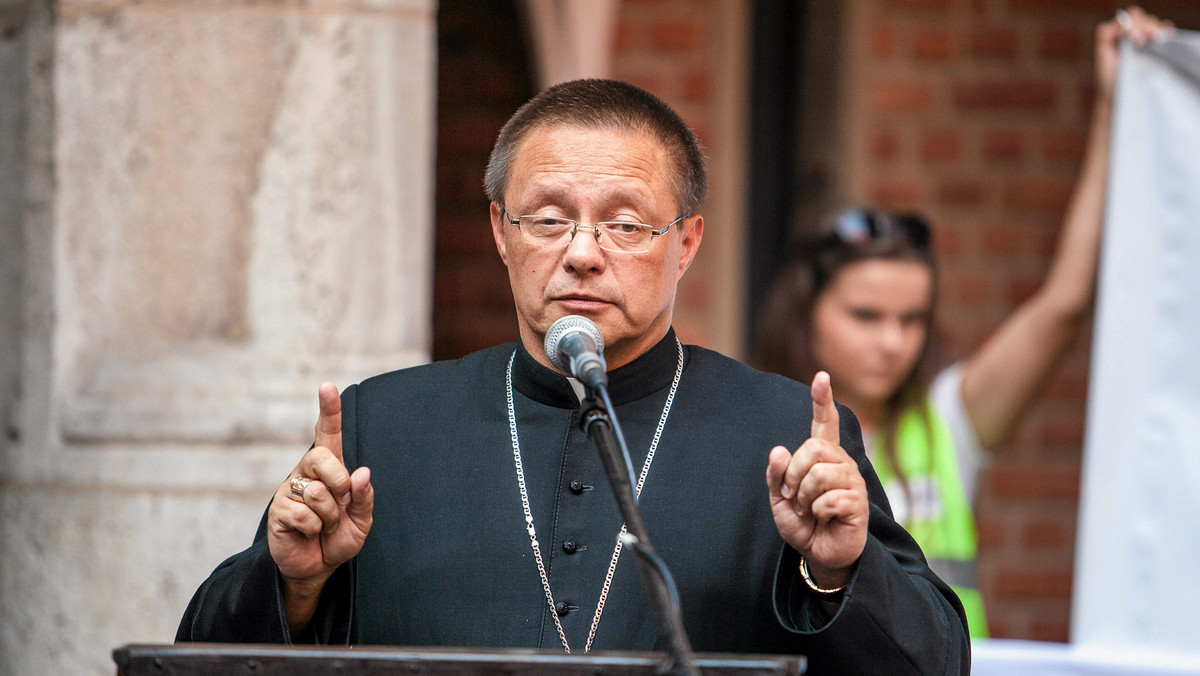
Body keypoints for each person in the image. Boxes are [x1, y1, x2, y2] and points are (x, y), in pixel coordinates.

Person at [177, 78, 969, 675]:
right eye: (550, 218)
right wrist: (292, 585)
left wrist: (836, 571)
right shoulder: (381, 427)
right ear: (501, 230)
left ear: (685, 243)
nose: (583, 252)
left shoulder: (783, 432)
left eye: (625, 224)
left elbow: (934, 664)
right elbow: (202, 659)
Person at [755, 8, 1173, 639]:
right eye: (866, 315)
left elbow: (1061, 304)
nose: (892, 340)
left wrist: (1117, 106)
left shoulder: (948, 421)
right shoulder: (755, 426)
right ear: (806, 313)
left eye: (912, 318)